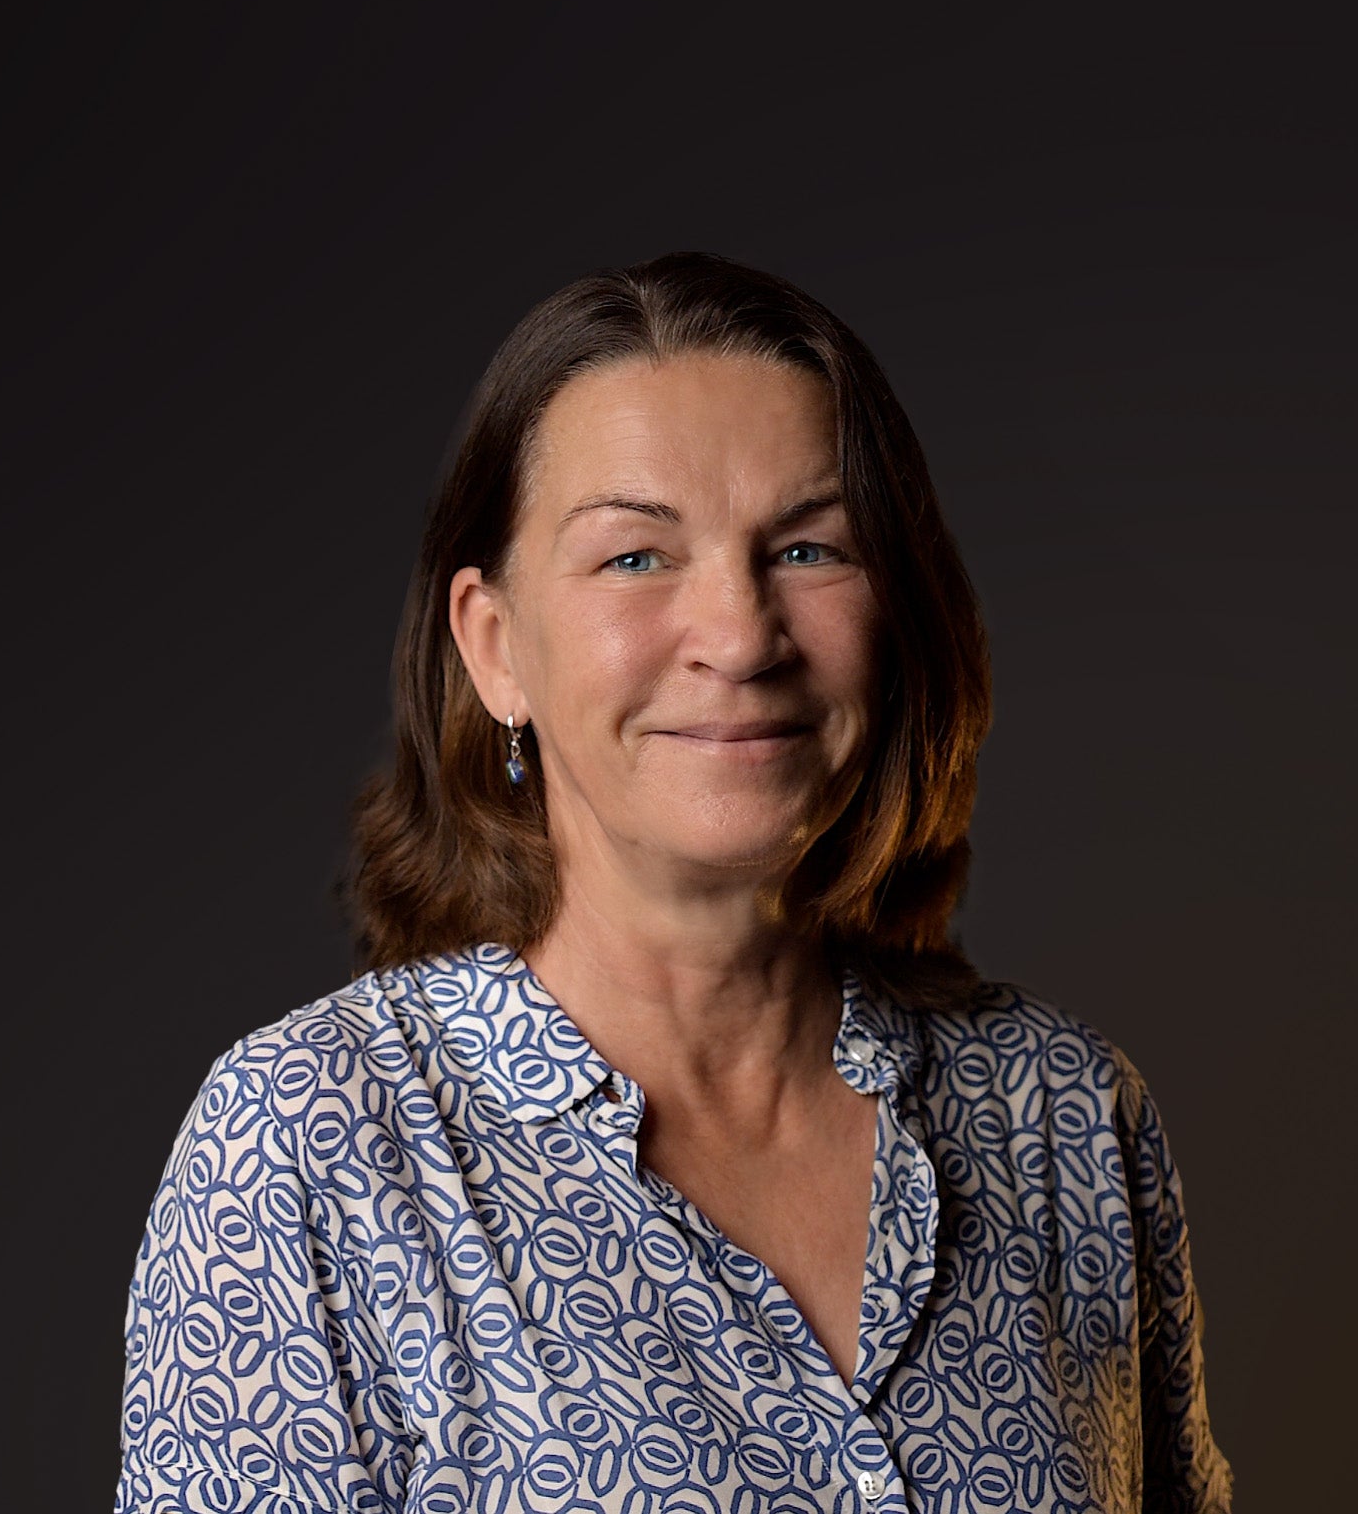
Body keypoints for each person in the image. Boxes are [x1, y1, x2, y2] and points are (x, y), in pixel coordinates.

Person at [115, 251, 1233, 1513]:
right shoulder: (312, 1148)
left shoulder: (1065, 1116)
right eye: (637, 559)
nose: (742, 636)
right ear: (495, 647)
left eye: (810, 549)